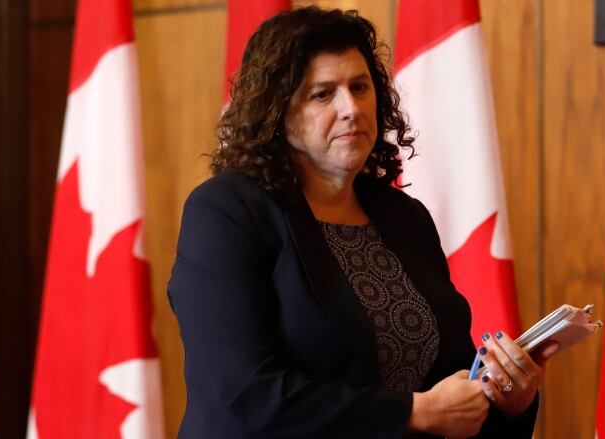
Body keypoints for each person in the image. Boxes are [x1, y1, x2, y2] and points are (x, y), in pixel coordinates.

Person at [167, 6, 557, 438]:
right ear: (277, 112)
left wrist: (509, 403)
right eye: (322, 94)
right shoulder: (225, 213)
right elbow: (243, 398)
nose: (351, 108)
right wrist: (413, 412)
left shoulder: (404, 217)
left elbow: (452, 392)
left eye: (360, 87)